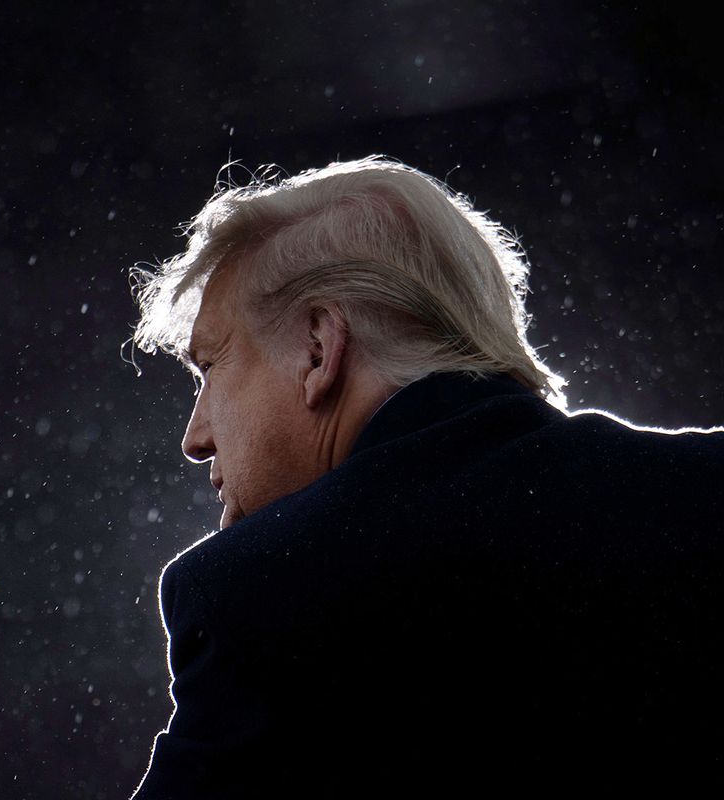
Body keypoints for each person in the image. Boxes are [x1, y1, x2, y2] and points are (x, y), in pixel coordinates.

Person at [126, 156, 724, 796]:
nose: (195, 438)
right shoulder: (705, 492)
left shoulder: (261, 601)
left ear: (318, 350)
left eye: (209, 367)